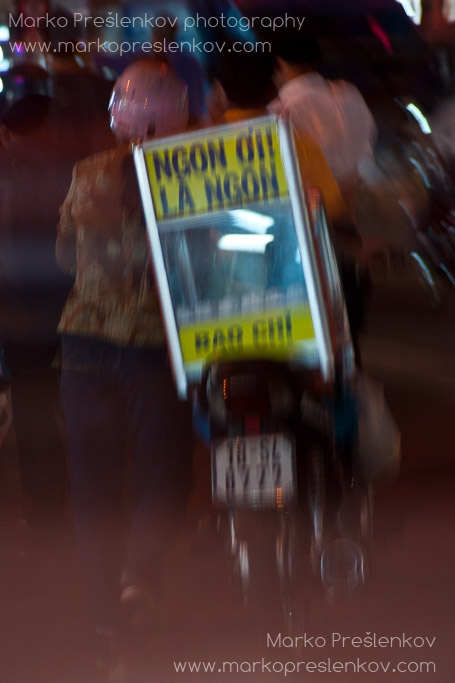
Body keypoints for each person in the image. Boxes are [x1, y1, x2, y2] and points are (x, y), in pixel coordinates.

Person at [55, 59, 194, 671]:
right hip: (153, 347)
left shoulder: (86, 173)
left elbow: (64, 256)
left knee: (93, 487)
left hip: (83, 345)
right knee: (164, 472)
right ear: (176, 116)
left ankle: (104, 618)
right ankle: (138, 573)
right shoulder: (194, 173)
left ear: (122, 117)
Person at [212, 47, 367, 365]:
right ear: (272, 87)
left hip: (220, 297)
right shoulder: (299, 146)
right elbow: (331, 210)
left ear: (219, 92)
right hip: (290, 292)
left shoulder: (195, 151)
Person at [0, 94, 74, 524]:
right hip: (73, 302)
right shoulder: (73, 165)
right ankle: (89, 485)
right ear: (47, 124)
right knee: (80, 395)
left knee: (32, 402)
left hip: (18, 312)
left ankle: (45, 498)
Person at [268, 28, 376, 215]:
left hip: (311, 219)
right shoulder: (350, 96)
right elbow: (366, 154)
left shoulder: (279, 114)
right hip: (355, 214)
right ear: (316, 59)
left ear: (278, 63)